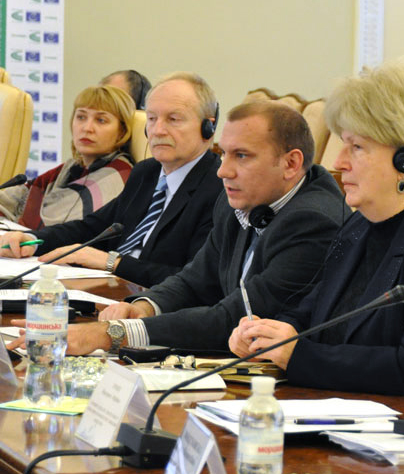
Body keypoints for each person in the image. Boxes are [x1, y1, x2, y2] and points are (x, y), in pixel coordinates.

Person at [227, 59, 404, 403]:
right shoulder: (359, 225)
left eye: (357, 147)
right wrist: (265, 335)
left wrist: (298, 355)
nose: (339, 162)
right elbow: (312, 313)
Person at [69, 101, 347, 355]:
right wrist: (146, 306)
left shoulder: (313, 221)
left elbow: (236, 317)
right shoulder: (238, 200)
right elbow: (196, 279)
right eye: (224, 154)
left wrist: (114, 334)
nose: (223, 171)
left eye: (242, 156)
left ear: (291, 163)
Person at [0, 72, 223, 287]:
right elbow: (92, 228)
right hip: (108, 289)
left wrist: (112, 263)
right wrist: (33, 240)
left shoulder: (219, 189)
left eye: (173, 119)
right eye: (152, 119)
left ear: (208, 128)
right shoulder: (147, 172)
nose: (158, 130)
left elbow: (197, 280)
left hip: (153, 302)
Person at [0, 85, 135, 229]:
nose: (87, 128)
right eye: (81, 117)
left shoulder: (119, 174)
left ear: (122, 131)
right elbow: (14, 197)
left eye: (101, 120)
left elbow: (55, 229)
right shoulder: (74, 166)